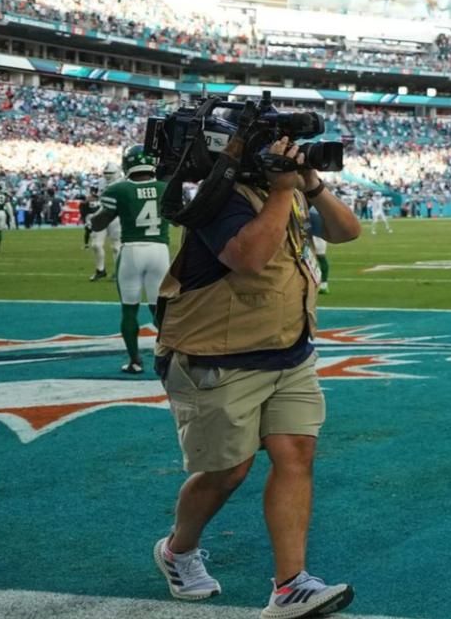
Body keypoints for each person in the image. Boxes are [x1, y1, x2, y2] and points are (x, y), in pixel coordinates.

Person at [151, 136, 360, 618]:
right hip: (219, 354)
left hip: (288, 350)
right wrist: (284, 189)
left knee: (297, 452)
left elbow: (346, 231)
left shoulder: (284, 190)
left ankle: (290, 586)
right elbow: (248, 257)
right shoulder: (213, 195)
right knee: (229, 470)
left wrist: (311, 185)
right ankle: (177, 551)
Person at [90, 147, 172, 376]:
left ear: (127, 165)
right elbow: (178, 217)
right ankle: (173, 355)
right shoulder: (164, 188)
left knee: (129, 310)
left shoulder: (119, 189)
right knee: (161, 311)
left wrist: (91, 219)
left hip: (132, 251)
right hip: (160, 251)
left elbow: (99, 223)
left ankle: (135, 361)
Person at [306, 205, 330, 294]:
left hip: (312, 238)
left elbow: (306, 226)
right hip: (321, 238)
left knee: (307, 261)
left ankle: (312, 284)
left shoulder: (308, 210)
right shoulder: (322, 209)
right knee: (322, 259)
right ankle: (324, 284)